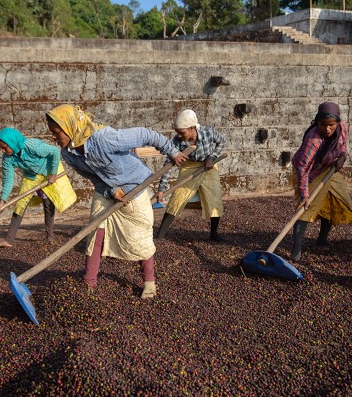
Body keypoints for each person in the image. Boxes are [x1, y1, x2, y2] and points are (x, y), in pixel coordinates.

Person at [45, 104, 187, 299]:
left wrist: (172, 151)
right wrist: (112, 191)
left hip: (134, 187)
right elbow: (94, 178)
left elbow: (146, 135)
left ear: (70, 127)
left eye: (56, 132)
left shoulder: (103, 139)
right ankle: (89, 284)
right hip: (106, 191)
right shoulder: (68, 154)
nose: (53, 137)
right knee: (95, 234)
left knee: (141, 235)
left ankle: (149, 282)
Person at [289, 101, 352, 262]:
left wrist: (343, 158)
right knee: (304, 208)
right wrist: (304, 195)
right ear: (317, 122)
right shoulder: (313, 140)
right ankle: (296, 249)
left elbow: (343, 147)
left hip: (329, 169)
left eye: (331, 125)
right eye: (323, 125)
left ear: (337, 123)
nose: (327, 129)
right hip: (309, 174)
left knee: (334, 201)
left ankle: (322, 239)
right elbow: (303, 168)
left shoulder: (342, 128)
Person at [0, 127, 77, 248]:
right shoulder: (7, 158)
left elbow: (55, 151)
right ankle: (9, 240)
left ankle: (50, 237)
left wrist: (53, 174)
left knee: (48, 203)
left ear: (12, 143)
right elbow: (8, 179)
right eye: (0, 147)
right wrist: (2, 200)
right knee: (20, 204)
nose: (2, 150)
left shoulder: (32, 146)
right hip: (31, 176)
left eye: (4, 147)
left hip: (48, 171)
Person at [154, 109, 226, 241]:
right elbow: (168, 164)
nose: (179, 136)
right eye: (178, 133)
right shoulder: (177, 141)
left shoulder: (209, 132)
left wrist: (212, 157)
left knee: (214, 198)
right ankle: (160, 236)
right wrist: (161, 190)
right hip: (189, 166)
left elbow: (222, 142)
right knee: (177, 198)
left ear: (192, 128)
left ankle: (214, 235)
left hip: (208, 166)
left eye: (182, 133)